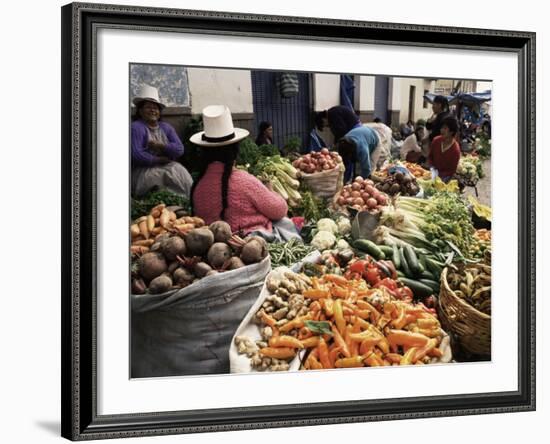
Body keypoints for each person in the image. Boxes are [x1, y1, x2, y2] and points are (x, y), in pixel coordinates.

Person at [190, 105, 300, 242]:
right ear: (235, 150)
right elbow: (279, 210)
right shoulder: (244, 181)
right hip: (251, 244)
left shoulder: (198, 185)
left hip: (213, 247)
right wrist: (270, 189)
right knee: (285, 223)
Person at [131, 84, 193, 198]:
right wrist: (158, 160)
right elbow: (137, 155)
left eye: (155, 108)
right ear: (140, 111)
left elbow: (179, 149)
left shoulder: (166, 127)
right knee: (159, 177)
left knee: (181, 173)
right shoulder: (136, 127)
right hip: (144, 169)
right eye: (148, 107)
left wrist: (162, 146)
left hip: (167, 163)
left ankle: (189, 201)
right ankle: (162, 206)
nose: (153, 110)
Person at [428, 116, 461, 182]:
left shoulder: (455, 150)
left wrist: (438, 177)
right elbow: (430, 157)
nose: (441, 130)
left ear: (451, 131)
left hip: (445, 178)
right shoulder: (436, 140)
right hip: (432, 172)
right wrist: (432, 168)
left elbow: (451, 171)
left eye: (445, 128)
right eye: (441, 128)